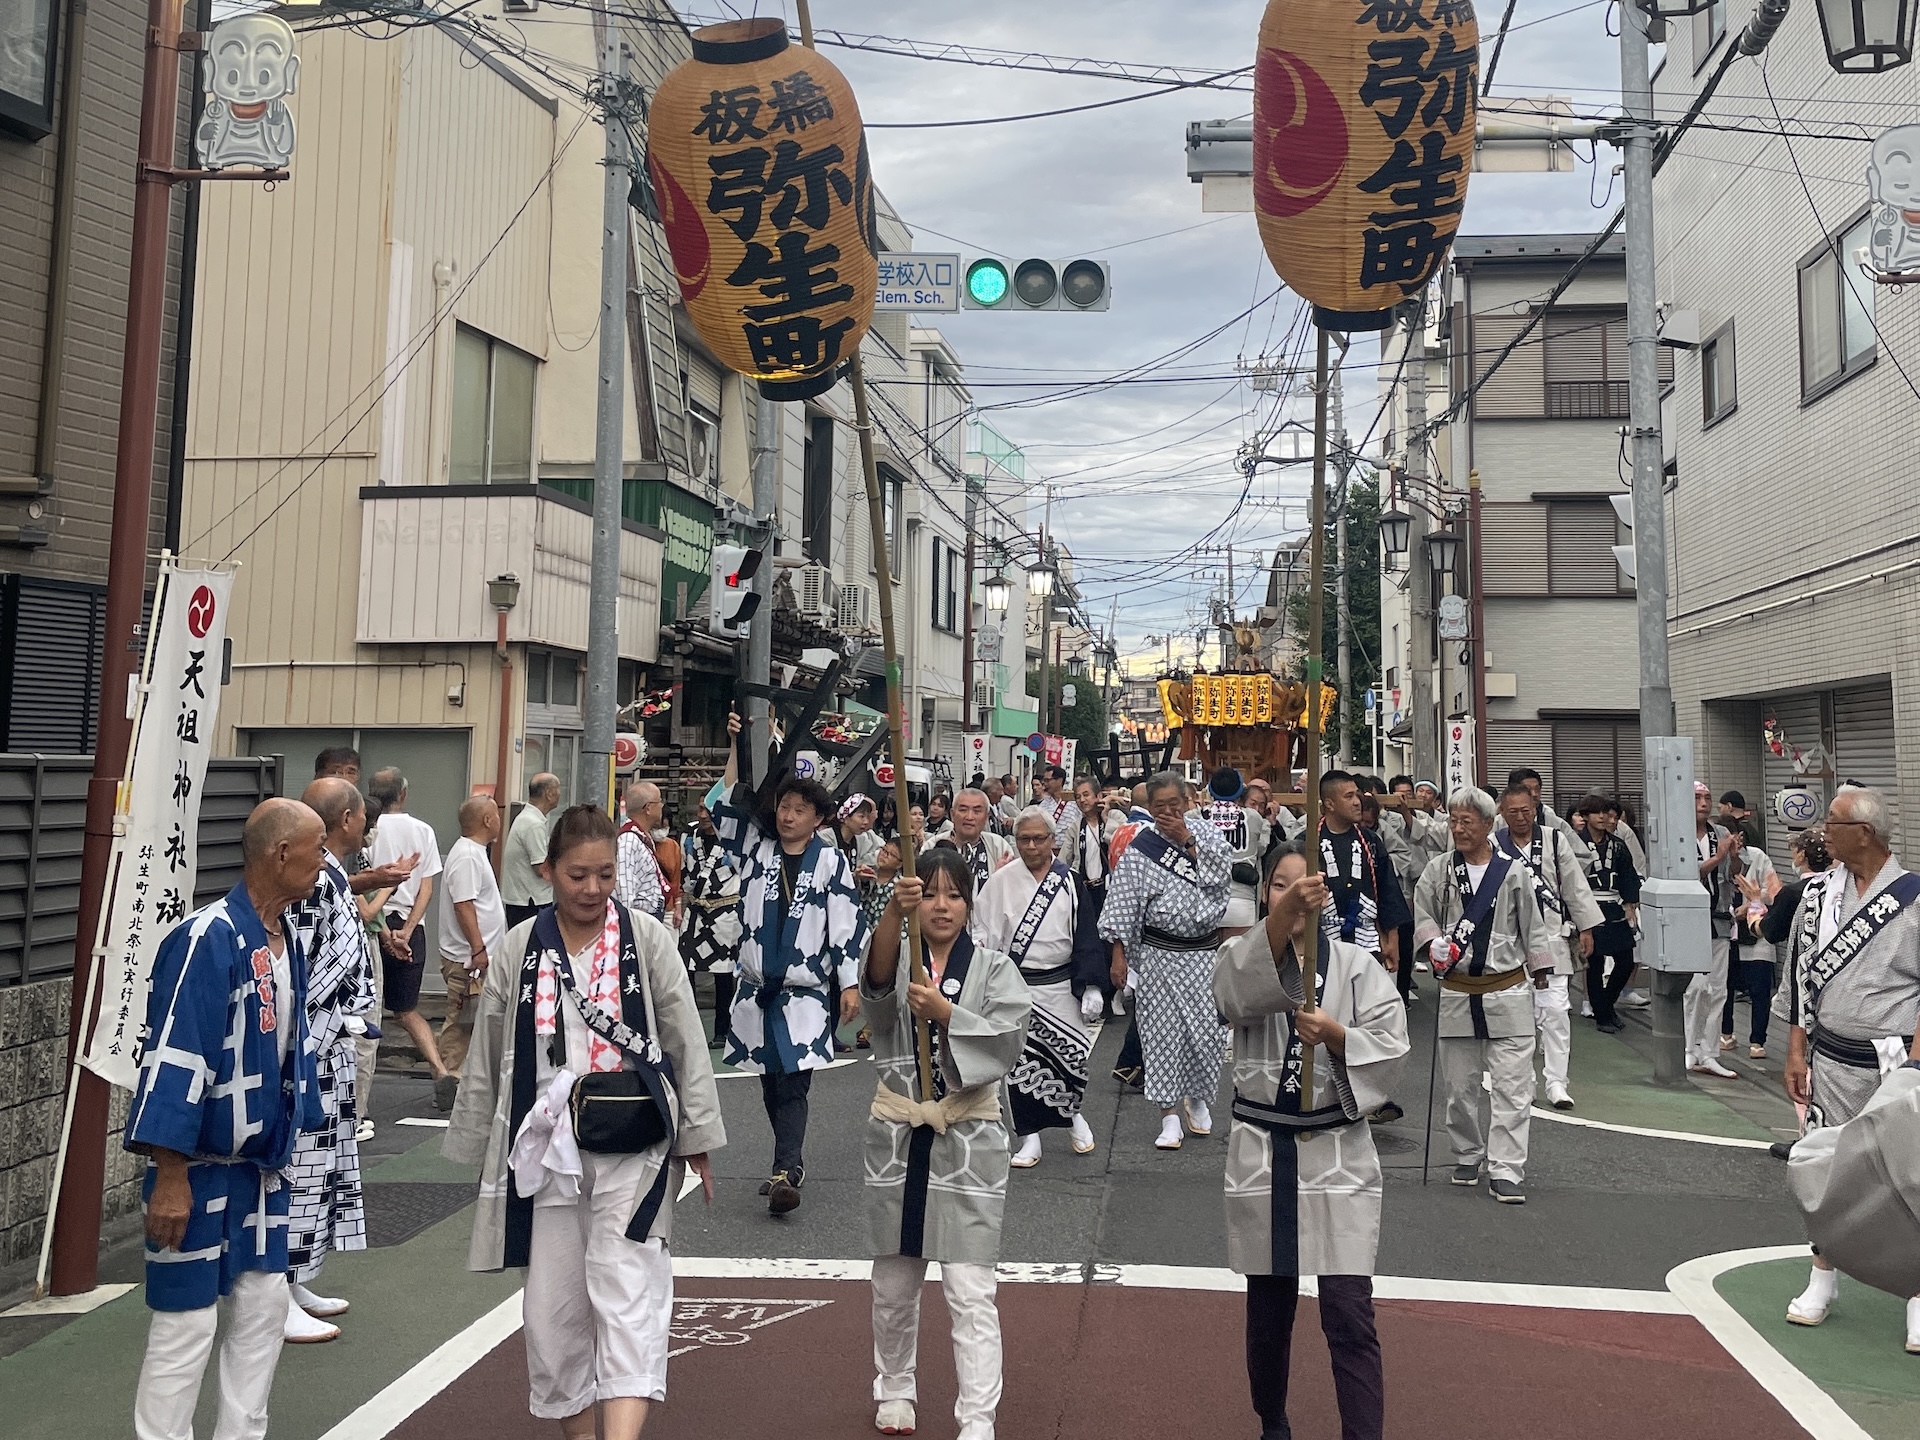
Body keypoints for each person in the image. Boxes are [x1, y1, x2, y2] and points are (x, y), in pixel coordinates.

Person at [446, 805, 723, 1439]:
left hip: (635, 1140)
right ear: (548, 873)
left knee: (628, 1288)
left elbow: (684, 1037)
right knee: (553, 1306)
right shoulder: (520, 947)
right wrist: (475, 1142)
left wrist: (698, 1136)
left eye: (604, 875)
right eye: (577, 876)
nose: (593, 890)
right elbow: (492, 1050)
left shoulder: (645, 938)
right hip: (546, 1147)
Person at [129, 799, 327, 1440]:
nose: (324, 863)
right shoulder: (208, 936)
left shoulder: (285, 937)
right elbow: (176, 1054)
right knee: (185, 1324)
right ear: (280, 853)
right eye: (317, 848)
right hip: (200, 1169)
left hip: (260, 1170)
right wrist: (169, 1175)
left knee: (263, 1314)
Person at [1215, 847, 1410, 1440]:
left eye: (1305, 887)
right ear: (1264, 895)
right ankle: (1272, 1418)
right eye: (1279, 885)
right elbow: (1231, 997)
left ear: (1326, 897)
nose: (1294, 895)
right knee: (1269, 1312)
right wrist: (1279, 924)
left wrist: (1341, 1037)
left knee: (1349, 1310)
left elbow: (1393, 1044)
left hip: (1336, 1150)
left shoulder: (1356, 967)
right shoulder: (1239, 955)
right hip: (1263, 1150)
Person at [861, 849, 1032, 1440]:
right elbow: (876, 987)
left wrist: (948, 1012)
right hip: (900, 1135)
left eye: (953, 894)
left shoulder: (993, 968)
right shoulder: (902, 957)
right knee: (893, 1282)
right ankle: (896, 1386)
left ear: (969, 902)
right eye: (929, 894)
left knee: (970, 1287)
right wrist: (891, 912)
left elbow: (1008, 1041)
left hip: (969, 1137)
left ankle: (978, 1417)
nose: (941, 905)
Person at [1774, 787, 1920, 1350]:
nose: (1820, 833)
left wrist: (1918, 1067)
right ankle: (1822, 1278)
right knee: (1826, 1175)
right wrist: (1794, 1047)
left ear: (1864, 832)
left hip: (1896, 1064)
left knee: (1908, 1177)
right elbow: (1798, 975)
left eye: (1831, 824)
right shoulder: (1816, 896)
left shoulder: (1912, 899)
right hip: (1828, 1056)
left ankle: (1916, 1291)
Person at [716, 711, 870, 1213]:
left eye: (801, 809)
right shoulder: (754, 851)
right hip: (758, 989)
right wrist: (736, 746)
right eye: (784, 806)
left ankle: (788, 1166)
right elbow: (727, 807)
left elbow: (846, 927)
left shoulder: (830, 862)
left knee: (794, 1081)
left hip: (804, 993)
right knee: (769, 1080)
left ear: (818, 818)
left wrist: (850, 984)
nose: (788, 816)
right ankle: (784, 1161)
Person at [1412, 786, 1554, 1204]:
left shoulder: (1512, 872)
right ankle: (1468, 1151)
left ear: (1489, 826)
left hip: (1507, 990)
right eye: (1453, 821)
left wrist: (1542, 974)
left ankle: (1506, 1168)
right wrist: (1431, 941)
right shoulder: (1438, 870)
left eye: (1466, 821)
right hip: (1458, 993)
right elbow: (1423, 914)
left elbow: (1532, 924)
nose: (1457, 828)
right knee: (1460, 1089)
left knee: (1514, 1086)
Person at [283, 779, 378, 1344]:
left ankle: (296, 1282)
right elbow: (300, 964)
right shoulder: (312, 883)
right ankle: (277, 1289)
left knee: (323, 1168)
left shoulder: (332, 877)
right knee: (297, 1171)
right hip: (309, 1043)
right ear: (346, 819)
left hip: (332, 1040)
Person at [1099, 771, 1232, 1150]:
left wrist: (1187, 842)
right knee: (1160, 1036)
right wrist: (1118, 956)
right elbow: (1123, 903)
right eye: (1161, 807)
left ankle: (1200, 1098)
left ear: (1189, 801)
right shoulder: (1141, 847)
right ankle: (1168, 1115)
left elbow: (1223, 879)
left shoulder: (1208, 836)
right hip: (1158, 953)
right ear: (1150, 808)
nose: (1170, 812)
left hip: (1203, 952)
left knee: (1208, 1033)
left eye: (1176, 804)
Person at [977, 807, 1106, 1166]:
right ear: (1014, 841)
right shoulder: (1000, 882)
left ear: (1053, 840)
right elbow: (983, 934)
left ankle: (1073, 1118)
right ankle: (1029, 1137)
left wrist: (1092, 985)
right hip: (1017, 986)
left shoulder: (1070, 881)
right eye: (1024, 839)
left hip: (1062, 984)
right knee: (1019, 1066)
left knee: (1071, 1060)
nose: (1032, 846)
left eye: (1039, 838)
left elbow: (1086, 935)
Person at [1496, 784, 1603, 1110]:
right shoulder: (1495, 844)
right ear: (1502, 812)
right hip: (1511, 941)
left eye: (1525, 810)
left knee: (1556, 1011)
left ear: (1535, 807)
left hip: (1553, 936)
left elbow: (1574, 885)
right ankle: (1525, 1079)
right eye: (1512, 811)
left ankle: (1557, 1082)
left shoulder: (1554, 839)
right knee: (1520, 1016)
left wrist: (1585, 926)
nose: (1520, 817)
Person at [365, 767, 454, 1106]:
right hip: (409, 929)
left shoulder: (367, 827)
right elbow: (427, 888)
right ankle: (439, 1070)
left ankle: (358, 1096)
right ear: (403, 794)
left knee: (365, 1011)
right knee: (407, 1010)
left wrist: (386, 934)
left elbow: (365, 885)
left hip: (374, 927)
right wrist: (408, 929)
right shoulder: (423, 830)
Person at [440, 796, 507, 1081]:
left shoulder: (475, 851)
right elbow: (463, 905)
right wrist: (478, 948)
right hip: (468, 959)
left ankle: (466, 1078)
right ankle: (450, 1078)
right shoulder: (468, 854)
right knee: (461, 1022)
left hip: (478, 956)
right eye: (496, 815)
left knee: (476, 1021)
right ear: (487, 820)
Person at [1316, 771, 1409, 974]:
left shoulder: (1371, 841)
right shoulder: (1307, 841)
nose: (1357, 802)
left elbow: (1388, 891)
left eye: (1357, 795)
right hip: (1322, 934)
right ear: (1329, 804)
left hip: (1366, 935)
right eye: (1348, 796)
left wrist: (1392, 939)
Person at [1688, 780, 1744, 1079]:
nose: (1704, 803)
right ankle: (1689, 1048)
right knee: (1694, 988)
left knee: (1718, 990)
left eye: (1708, 798)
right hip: (1690, 920)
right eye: (1697, 797)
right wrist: (1719, 856)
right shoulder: (1679, 834)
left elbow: (1735, 875)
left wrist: (1733, 856)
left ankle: (1710, 1052)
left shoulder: (1720, 833)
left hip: (1719, 917)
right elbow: (1688, 873)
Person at [1575, 794, 1642, 1034]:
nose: (1603, 817)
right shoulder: (1575, 843)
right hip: (1588, 907)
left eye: (1606, 813)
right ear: (1585, 816)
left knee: (1625, 960)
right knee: (1594, 962)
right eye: (1597, 812)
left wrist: (1631, 902)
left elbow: (1628, 876)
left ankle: (1605, 1004)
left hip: (1614, 907)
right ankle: (1603, 1014)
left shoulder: (1618, 845)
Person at [678, 803, 742, 1048]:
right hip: (695, 910)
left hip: (725, 911)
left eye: (708, 810)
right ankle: (688, 1028)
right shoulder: (689, 837)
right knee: (686, 971)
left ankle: (722, 1031)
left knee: (723, 975)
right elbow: (684, 870)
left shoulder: (733, 839)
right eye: (700, 810)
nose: (703, 815)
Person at [1725, 839, 1780, 1059]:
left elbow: (1774, 889)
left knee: (1760, 990)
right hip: (1726, 933)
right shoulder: (1716, 860)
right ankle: (1726, 1033)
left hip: (1756, 934)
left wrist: (1750, 904)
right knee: (1725, 988)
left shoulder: (1758, 856)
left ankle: (1758, 1041)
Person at [1203, 767, 1271, 941]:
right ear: (1241, 791)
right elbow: (1261, 848)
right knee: (1238, 962)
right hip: (1242, 900)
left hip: (1206, 899)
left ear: (1210, 790)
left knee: (1207, 964)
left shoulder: (1197, 817)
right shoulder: (1253, 818)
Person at [504, 773, 562, 929]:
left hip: (523, 899)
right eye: (557, 789)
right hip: (530, 901)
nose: (559, 794)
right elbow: (541, 868)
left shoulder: (528, 818)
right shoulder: (533, 823)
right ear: (549, 793)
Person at [1505, 767, 1592, 864]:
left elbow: (1583, 857)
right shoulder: (1498, 823)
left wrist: (1559, 871)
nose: (1534, 794)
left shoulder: (1554, 822)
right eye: (1528, 789)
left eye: (1537, 789)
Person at [936, 787, 1016, 889]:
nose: (969, 817)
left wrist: (999, 876)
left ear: (986, 817)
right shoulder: (933, 844)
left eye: (977, 811)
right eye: (963, 810)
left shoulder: (999, 846)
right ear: (952, 814)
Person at [617, 782, 668, 921]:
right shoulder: (628, 840)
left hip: (649, 918)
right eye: (659, 801)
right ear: (648, 808)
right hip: (639, 921)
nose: (662, 806)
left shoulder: (642, 837)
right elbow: (624, 891)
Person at [1037, 764, 1074, 853]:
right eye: (1044, 781)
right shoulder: (1043, 805)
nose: (1045, 784)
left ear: (1059, 781)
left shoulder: (1074, 802)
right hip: (1049, 850)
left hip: (1071, 849)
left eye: (1048, 780)